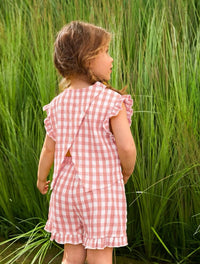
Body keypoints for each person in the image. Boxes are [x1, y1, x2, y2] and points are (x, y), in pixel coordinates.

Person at [37, 21, 136, 264]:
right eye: (105, 52)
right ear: (87, 59)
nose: (111, 59)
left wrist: (41, 178)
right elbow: (126, 147)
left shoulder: (58, 104)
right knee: (100, 256)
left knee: (72, 255)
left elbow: (49, 148)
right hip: (101, 188)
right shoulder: (110, 101)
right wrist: (126, 170)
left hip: (64, 189)